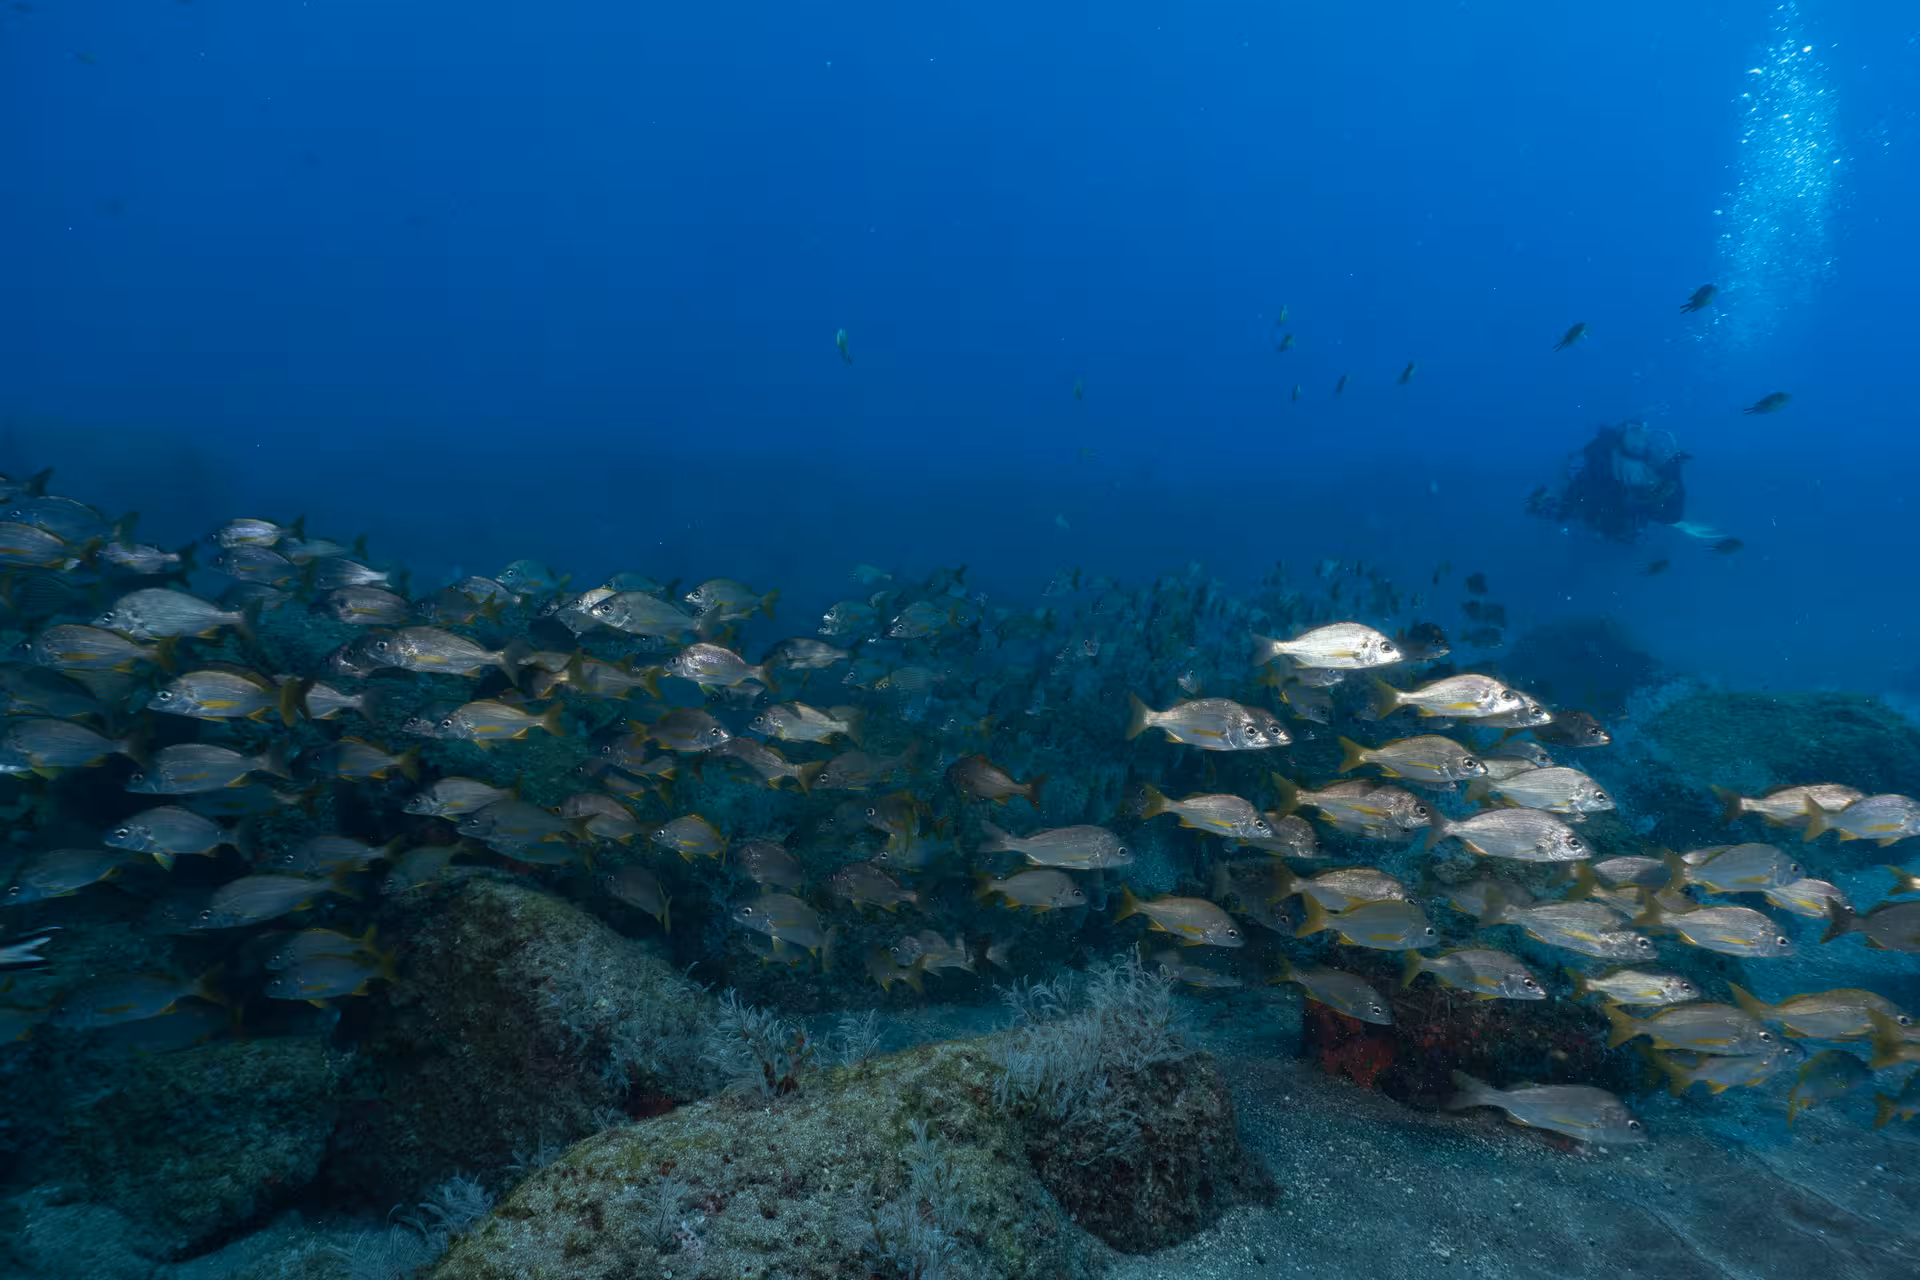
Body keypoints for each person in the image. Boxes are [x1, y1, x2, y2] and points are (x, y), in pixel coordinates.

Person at [1527, 421, 1689, 544]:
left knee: (1622, 523)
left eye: (1643, 435)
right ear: (1622, 436)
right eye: (1634, 432)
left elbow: (1671, 513)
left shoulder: (1650, 461)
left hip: (1625, 513)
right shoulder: (1600, 458)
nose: (1640, 440)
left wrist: (1673, 470)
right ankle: (1544, 504)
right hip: (1594, 506)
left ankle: (1621, 529)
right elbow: (1588, 492)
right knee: (1578, 510)